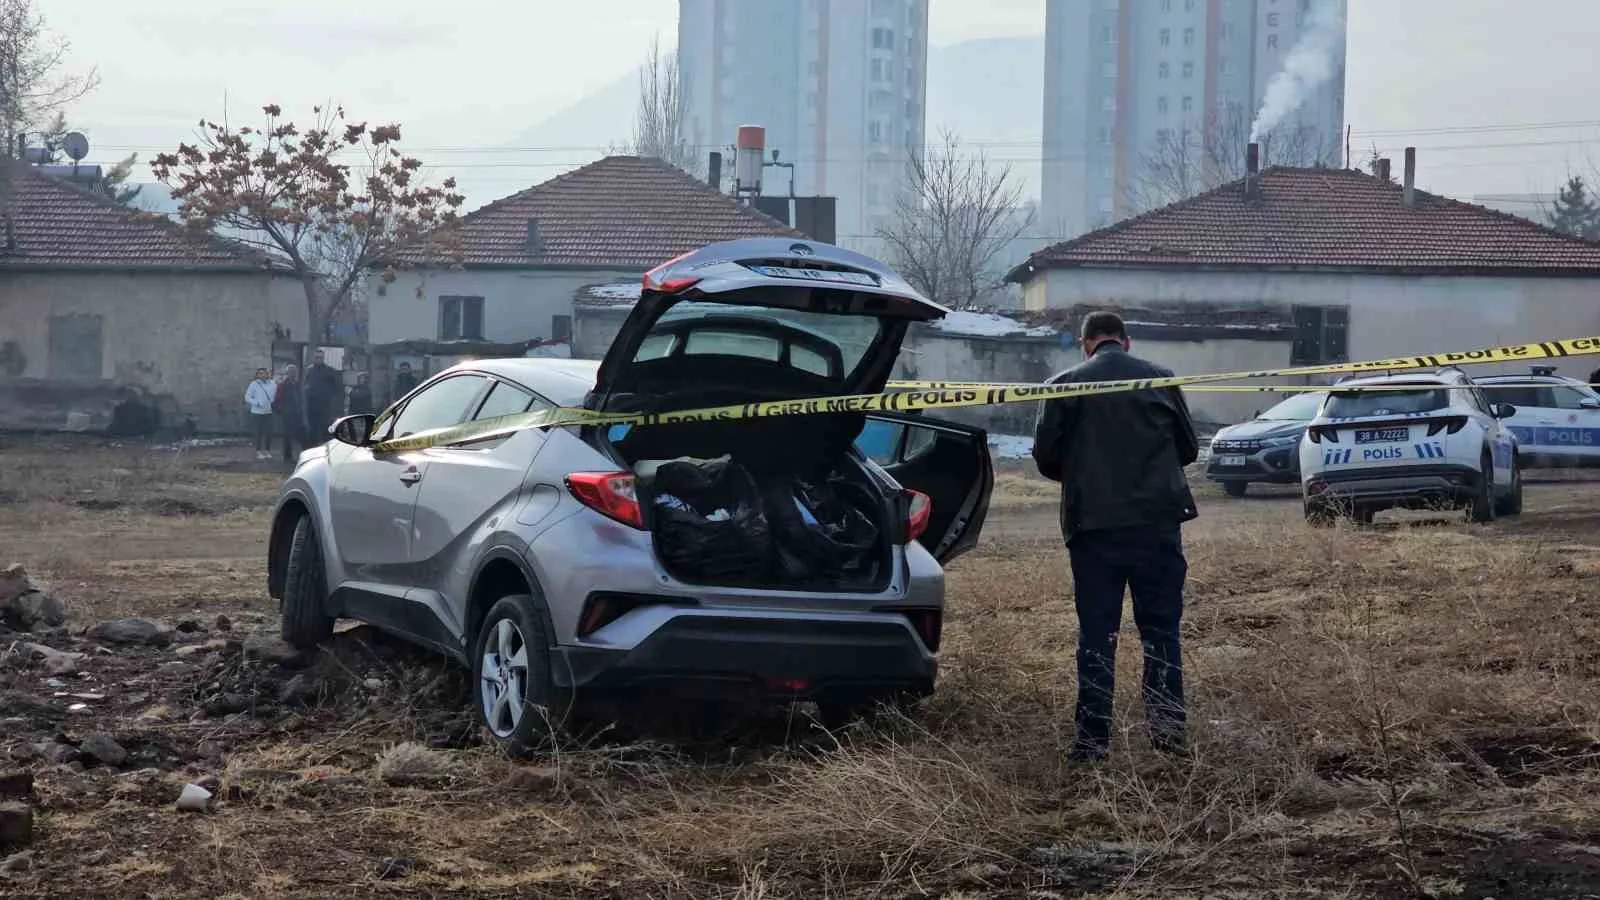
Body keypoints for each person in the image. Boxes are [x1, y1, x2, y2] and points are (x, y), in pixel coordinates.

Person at [1031, 311, 1200, 762]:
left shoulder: (1063, 385)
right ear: (1125, 341)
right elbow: (1188, 448)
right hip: (1156, 524)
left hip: (1093, 528)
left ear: (1085, 344)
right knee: (1161, 631)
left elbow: (1046, 458)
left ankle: (1091, 744)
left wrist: (1087, 471)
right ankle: (1168, 737)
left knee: (1097, 634)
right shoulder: (1160, 379)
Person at [303, 350, 343, 446]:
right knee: (313, 432)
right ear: (314, 358)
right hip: (312, 407)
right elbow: (305, 385)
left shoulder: (330, 371)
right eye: (317, 357)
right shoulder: (310, 371)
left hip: (326, 407)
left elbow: (337, 389)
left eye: (320, 357)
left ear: (323, 358)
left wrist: (334, 405)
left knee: (326, 432)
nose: (318, 359)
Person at [274, 365, 308, 464]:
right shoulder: (283, 385)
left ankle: (305, 456)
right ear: (287, 374)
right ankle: (287, 458)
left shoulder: (299, 385)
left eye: (294, 372)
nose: (293, 374)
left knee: (303, 436)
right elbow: (277, 401)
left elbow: (302, 398)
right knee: (287, 437)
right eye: (291, 372)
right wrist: (283, 412)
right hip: (288, 416)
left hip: (299, 414)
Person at [244, 367, 277, 460]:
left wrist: (273, 403)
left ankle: (267, 450)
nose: (262, 375)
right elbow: (247, 397)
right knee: (258, 433)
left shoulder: (272, 384)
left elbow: (275, 395)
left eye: (264, 373)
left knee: (269, 433)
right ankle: (258, 451)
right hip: (257, 412)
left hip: (269, 412)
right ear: (257, 375)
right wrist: (257, 403)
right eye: (260, 373)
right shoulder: (254, 384)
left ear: (267, 374)